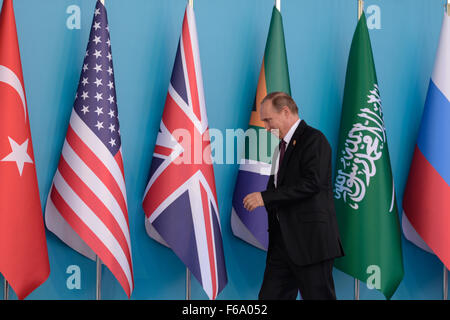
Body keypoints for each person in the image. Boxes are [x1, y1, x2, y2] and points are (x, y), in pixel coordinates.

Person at [243, 92, 344, 300]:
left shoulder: (315, 140)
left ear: (286, 112)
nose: (266, 127)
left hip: (311, 244)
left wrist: (265, 198)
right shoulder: (280, 148)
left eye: (268, 120)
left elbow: (312, 183)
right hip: (282, 245)